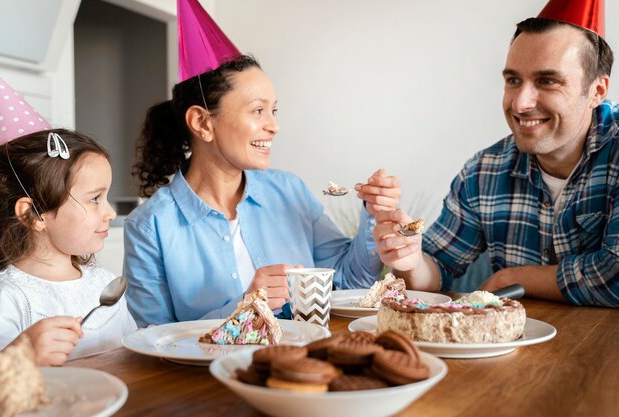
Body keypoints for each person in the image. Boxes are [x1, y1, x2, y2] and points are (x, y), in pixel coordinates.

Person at [123, 0, 401, 326]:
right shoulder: (149, 227)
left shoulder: (289, 191)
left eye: (274, 110)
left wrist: (373, 215)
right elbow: (155, 340)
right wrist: (244, 307)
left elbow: (348, 282)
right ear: (201, 123)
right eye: (258, 110)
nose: (274, 125)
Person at [374, 1, 619, 307]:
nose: (519, 103)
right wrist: (409, 259)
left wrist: (510, 278)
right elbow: (438, 270)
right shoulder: (484, 172)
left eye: (547, 81)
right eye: (513, 80)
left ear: (597, 91)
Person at [0, 129, 137, 365]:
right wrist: (22, 355)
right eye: (94, 199)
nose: (111, 213)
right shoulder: (6, 296)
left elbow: (130, 349)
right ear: (34, 214)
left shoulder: (104, 283)